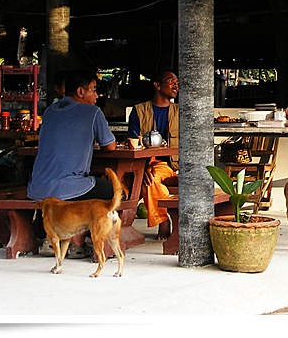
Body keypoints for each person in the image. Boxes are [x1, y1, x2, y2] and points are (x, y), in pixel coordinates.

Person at [27, 68, 117, 258]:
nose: (97, 95)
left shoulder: (50, 112)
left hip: (37, 186)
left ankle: (52, 235)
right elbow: (110, 146)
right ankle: (78, 239)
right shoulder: (92, 112)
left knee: (84, 188)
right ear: (80, 92)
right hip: (69, 185)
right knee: (114, 192)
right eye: (93, 89)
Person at [127, 69, 179, 240]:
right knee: (118, 184)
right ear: (157, 85)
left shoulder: (181, 112)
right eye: (171, 81)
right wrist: (142, 167)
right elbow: (132, 143)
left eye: (177, 82)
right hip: (141, 163)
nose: (176, 85)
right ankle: (118, 228)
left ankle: (163, 221)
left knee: (150, 180)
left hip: (168, 165)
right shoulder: (139, 111)